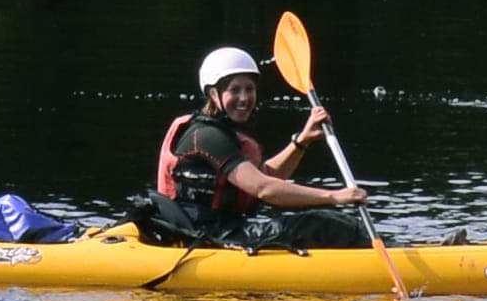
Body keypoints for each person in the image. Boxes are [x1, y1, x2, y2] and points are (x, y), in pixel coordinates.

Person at [142, 38, 364, 250]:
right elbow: (264, 189)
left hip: (225, 229)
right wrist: (334, 196)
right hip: (209, 235)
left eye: (249, 89)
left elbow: (266, 175)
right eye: (235, 90)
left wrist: (301, 141)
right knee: (325, 226)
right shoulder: (207, 136)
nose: (244, 98)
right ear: (213, 94)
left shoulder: (221, 131)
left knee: (337, 224)